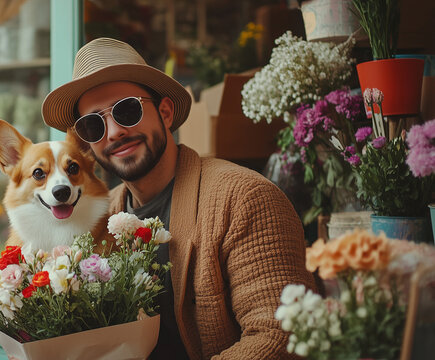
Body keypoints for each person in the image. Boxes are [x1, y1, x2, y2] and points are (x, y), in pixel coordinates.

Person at [42, 37, 317, 360]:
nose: (113, 131)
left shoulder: (243, 199)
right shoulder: (93, 218)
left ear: (166, 112)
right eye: (93, 125)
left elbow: (280, 336)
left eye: (127, 110)